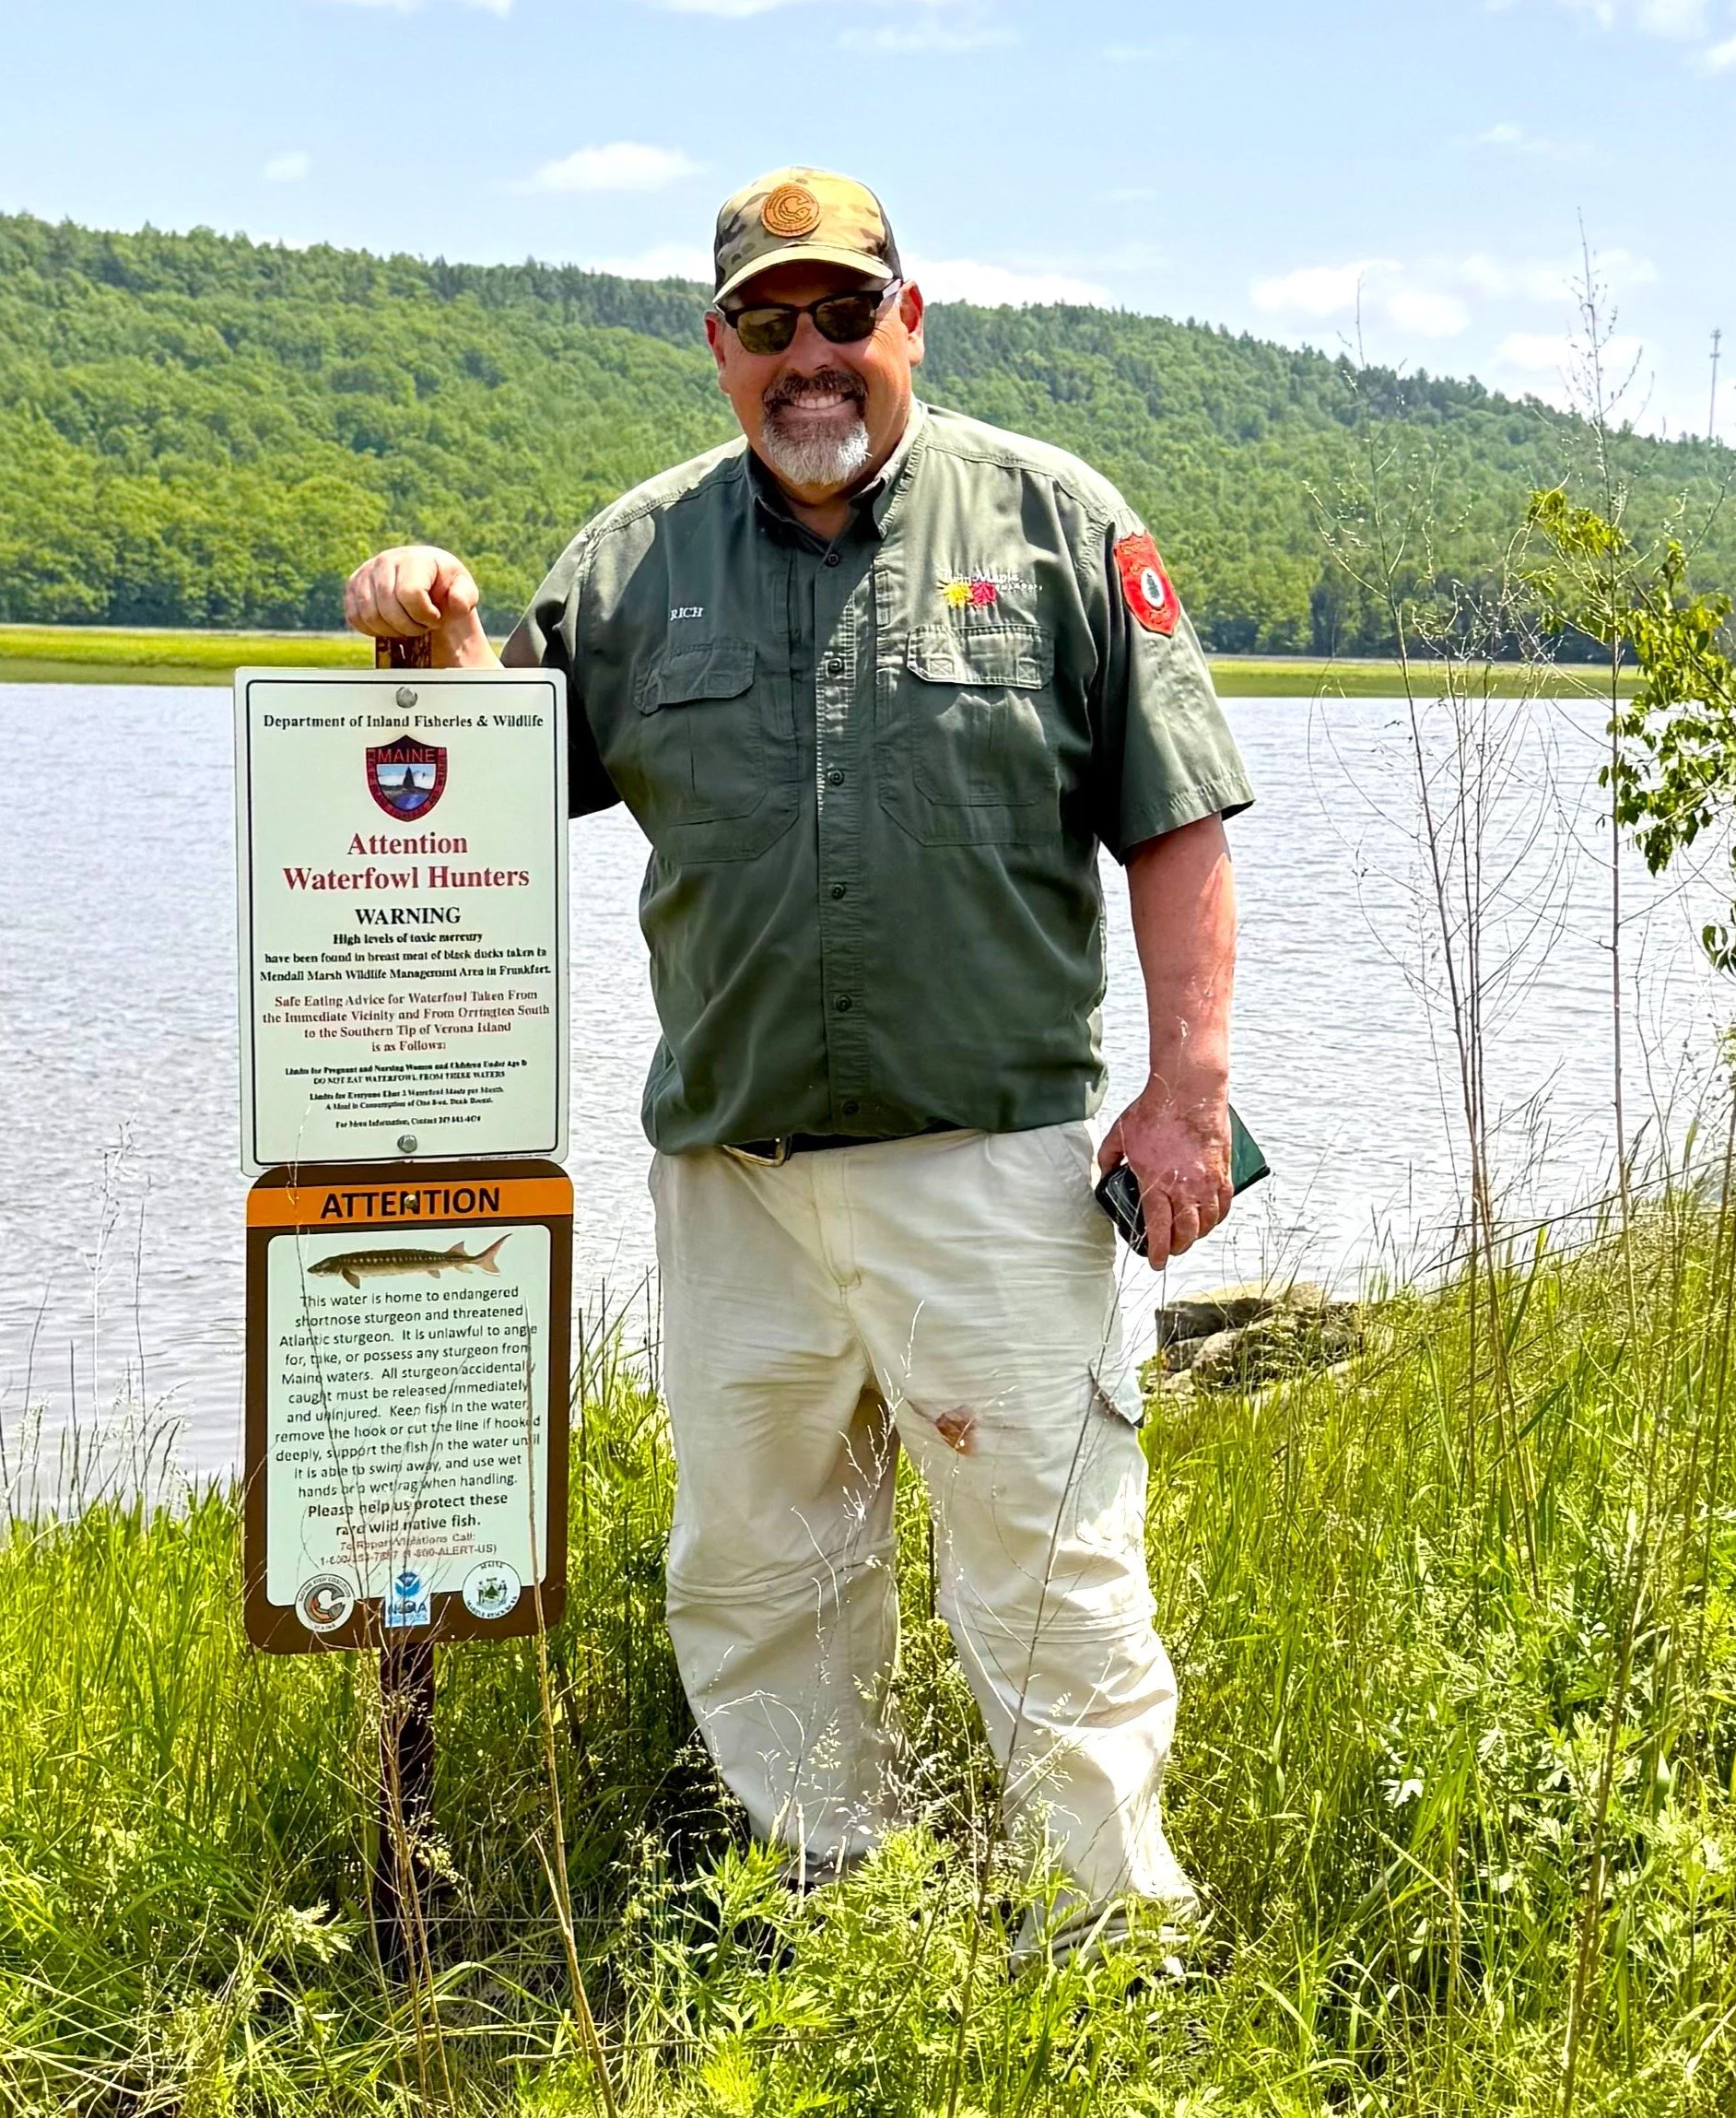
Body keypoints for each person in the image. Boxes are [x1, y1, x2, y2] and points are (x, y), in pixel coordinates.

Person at [344, 167, 1253, 1960]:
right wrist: (436, 643)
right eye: (770, 322)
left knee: (1051, 1570)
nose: (810, 354)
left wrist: (1189, 1092)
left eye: (846, 313)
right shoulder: (631, 562)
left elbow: (1181, 819)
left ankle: (1110, 1954)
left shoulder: (1057, 526)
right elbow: (493, 797)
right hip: (734, 1181)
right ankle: (856, 1926)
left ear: (910, 321)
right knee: (761, 1577)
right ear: (721, 348)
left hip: (990, 1169)